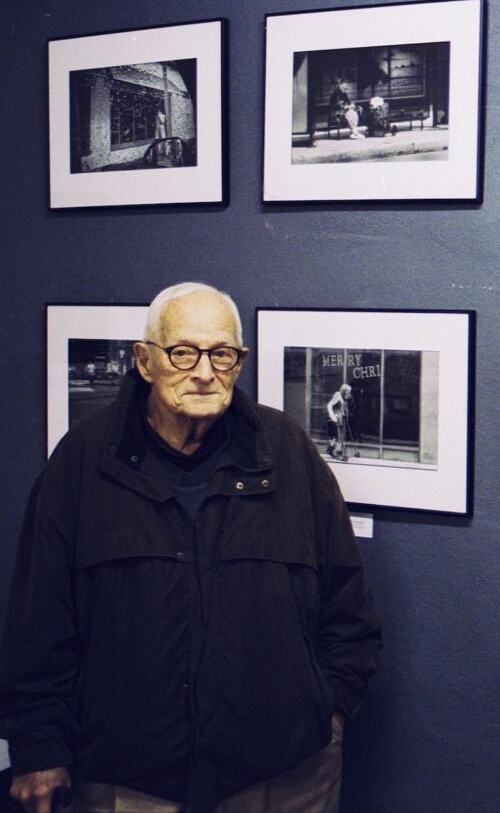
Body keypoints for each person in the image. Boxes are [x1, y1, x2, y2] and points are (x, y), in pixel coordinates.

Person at [0, 283, 382, 813]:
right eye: (183, 352)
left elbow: (349, 607)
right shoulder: (84, 461)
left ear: (239, 363)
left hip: (284, 774)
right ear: (144, 360)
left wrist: (327, 713)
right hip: (127, 779)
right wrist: (38, 747)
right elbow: (38, 620)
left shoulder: (288, 452)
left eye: (222, 354)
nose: (204, 372)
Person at [326, 382, 355, 461]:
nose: (349, 393)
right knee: (340, 437)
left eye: (349, 391)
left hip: (342, 418)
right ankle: (340, 454)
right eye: (347, 391)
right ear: (343, 391)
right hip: (337, 418)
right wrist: (332, 416)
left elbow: (345, 408)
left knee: (340, 436)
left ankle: (329, 449)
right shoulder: (338, 395)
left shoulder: (346, 397)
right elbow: (329, 405)